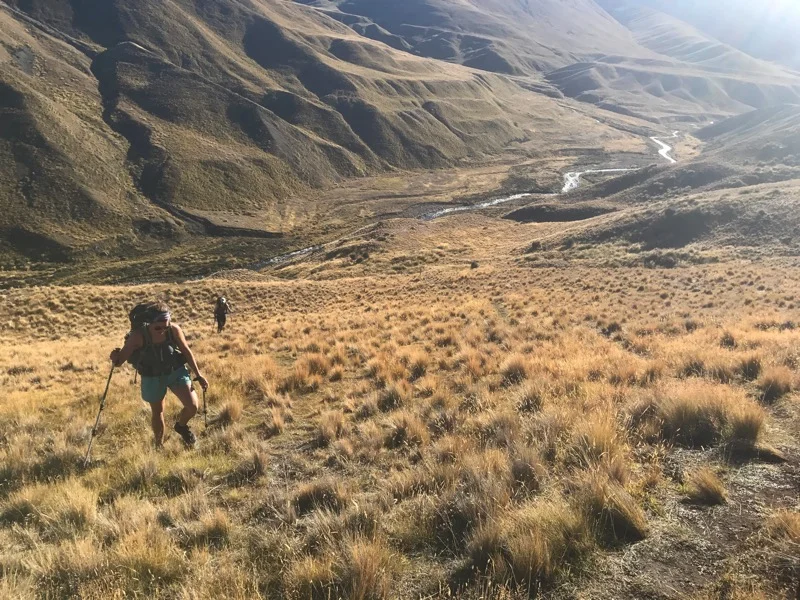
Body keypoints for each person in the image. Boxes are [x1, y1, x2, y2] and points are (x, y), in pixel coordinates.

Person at [110, 302, 209, 447]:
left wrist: (198, 375)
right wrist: (114, 357)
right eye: (158, 327)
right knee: (158, 412)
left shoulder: (174, 330)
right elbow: (119, 362)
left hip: (175, 371)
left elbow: (186, 351)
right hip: (152, 377)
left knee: (192, 406)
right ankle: (159, 445)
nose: (163, 330)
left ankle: (181, 427)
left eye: (166, 326)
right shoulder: (137, 337)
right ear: (149, 323)